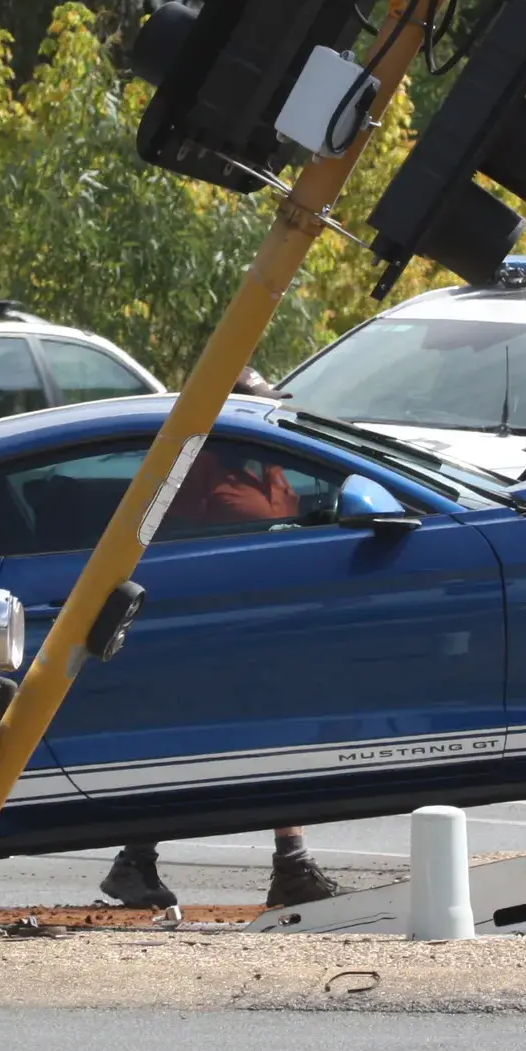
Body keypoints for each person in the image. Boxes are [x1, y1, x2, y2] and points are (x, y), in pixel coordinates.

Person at [100, 369, 342, 912]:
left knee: (277, 737)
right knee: (214, 740)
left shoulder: (271, 465)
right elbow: (169, 546)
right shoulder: (201, 470)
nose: (267, 412)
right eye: (254, 404)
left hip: (267, 624)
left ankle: (282, 865)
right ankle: (143, 857)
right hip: (215, 627)